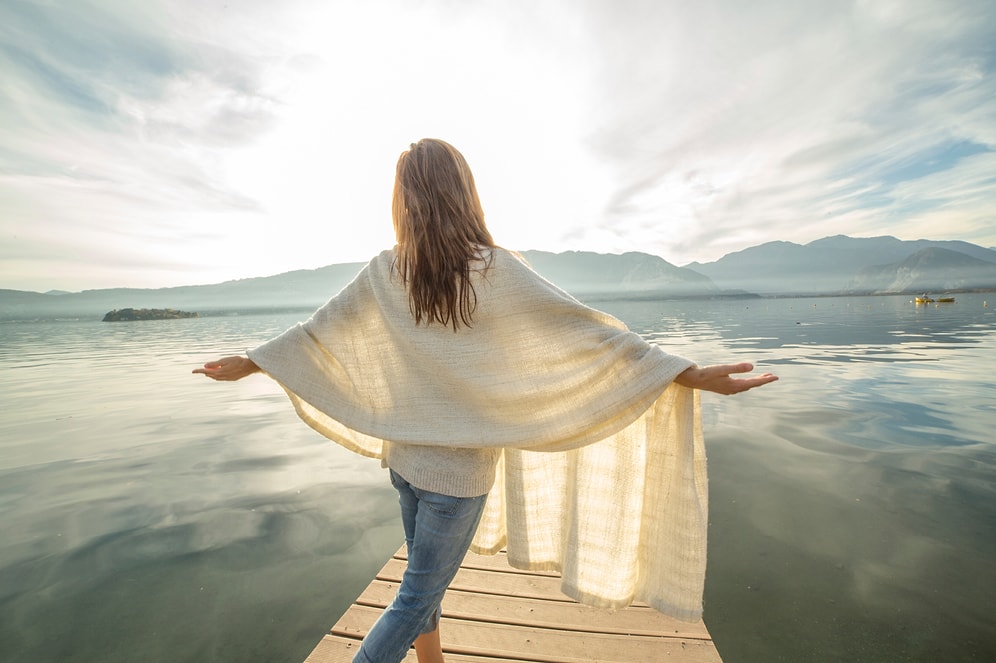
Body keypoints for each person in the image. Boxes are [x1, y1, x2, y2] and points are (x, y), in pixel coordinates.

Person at [194, 138, 777, 663]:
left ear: (404, 201)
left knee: (421, 590)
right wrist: (687, 374)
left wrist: (252, 360)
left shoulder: (385, 270)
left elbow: (318, 333)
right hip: (456, 477)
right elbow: (586, 334)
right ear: (464, 192)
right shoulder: (497, 269)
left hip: (405, 463)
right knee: (415, 596)